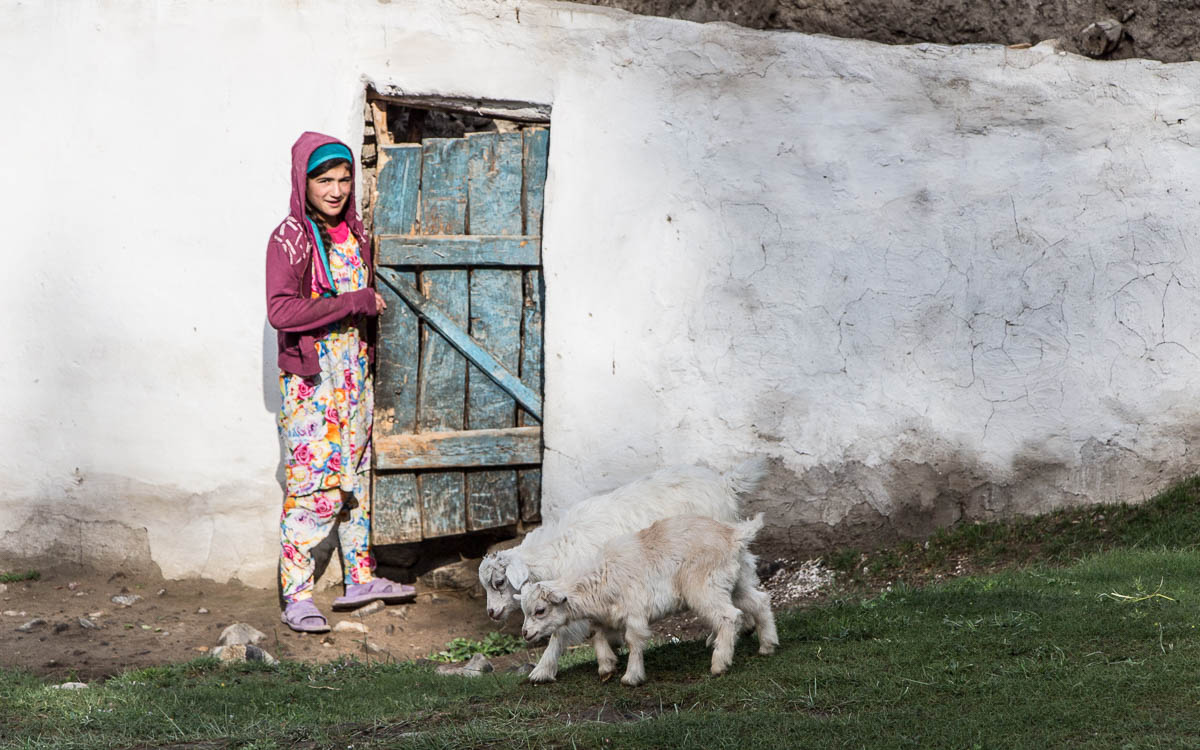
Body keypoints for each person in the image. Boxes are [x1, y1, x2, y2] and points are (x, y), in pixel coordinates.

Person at [266, 131, 415, 633]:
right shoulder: (289, 238)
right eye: (324, 179)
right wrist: (355, 301)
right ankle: (297, 595)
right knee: (315, 486)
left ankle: (361, 578)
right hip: (313, 385)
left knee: (355, 479)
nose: (335, 189)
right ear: (302, 182)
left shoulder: (357, 235)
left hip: (353, 378)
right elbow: (281, 310)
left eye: (344, 179)